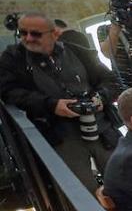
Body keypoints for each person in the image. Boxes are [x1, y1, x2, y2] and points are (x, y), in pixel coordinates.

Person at [0, 12, 121, 189]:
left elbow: (110, 80)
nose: (28, 38)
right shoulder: (13, 59)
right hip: (60, 134)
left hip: (101, 130)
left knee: (125, 181)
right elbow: (8, 91)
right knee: (82, 191)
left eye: (35, 34)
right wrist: (51, 104)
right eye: (22, 33)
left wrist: (101, 96)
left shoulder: (78, 51)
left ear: (55, 34)